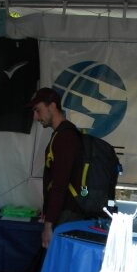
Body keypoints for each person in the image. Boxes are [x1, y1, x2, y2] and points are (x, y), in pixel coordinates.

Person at [29, 87, 84, 248]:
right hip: (64, 215)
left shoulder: (65, 137)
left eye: (38, 110)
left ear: (52, 106)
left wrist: (48, 225)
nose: (35, 117)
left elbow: (60, 184)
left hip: (66, 217)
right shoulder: (61, 134)